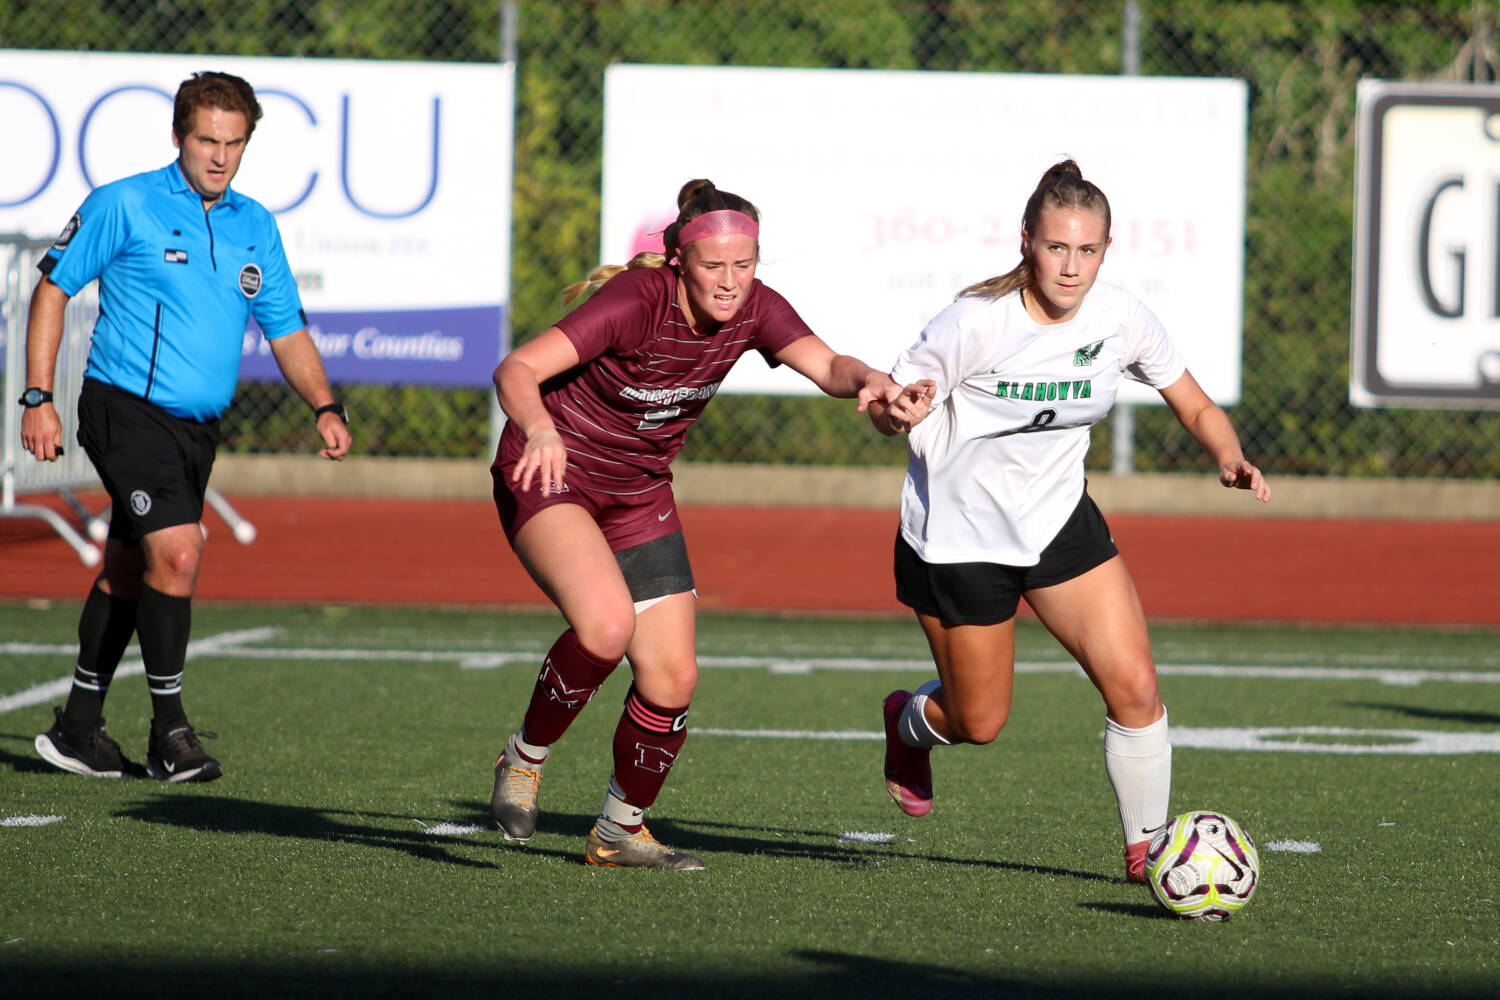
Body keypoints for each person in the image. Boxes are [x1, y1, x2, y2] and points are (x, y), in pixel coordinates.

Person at [489, 178, 932, 869]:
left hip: (637, 494)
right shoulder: (636, 301)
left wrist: (873, 380)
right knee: (605, 629)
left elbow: (829, 365)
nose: (731, 283)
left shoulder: (755, 307)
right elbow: (517, 368)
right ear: (679, 262)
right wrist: (541, 429)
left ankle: (618, 832)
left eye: (745, 264)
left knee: (673, 678)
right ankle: (522, 759)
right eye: (714, 266)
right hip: (553, 473)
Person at [866, 160, 1270, 883]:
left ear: (1107, 251)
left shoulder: (1120, 317)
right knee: (978, 723)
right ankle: (908, 723)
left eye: (1087, 250)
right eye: (1057, 247)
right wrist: (896, 413)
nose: (1071, 265)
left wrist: (1228, 453)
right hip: (960, 542)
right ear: (1027, 242)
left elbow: (1196, 405)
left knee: (1138, 687)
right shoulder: (975, 322)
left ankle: (1148, 855)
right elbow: (889, 407)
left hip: (1058, 524)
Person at [20, 70, 352, 783]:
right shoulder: (125, 203)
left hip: (196, 432)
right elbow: (52, 288)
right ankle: (170, 731)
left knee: (131, 568)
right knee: (180, 551)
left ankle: (78, 725)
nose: (220, 156)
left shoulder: (255, 223)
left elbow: (286, 327)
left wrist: (324, 404)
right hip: (123, 410)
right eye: (207, 139)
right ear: (179, 136)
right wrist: (37, 397)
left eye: (234, 143)